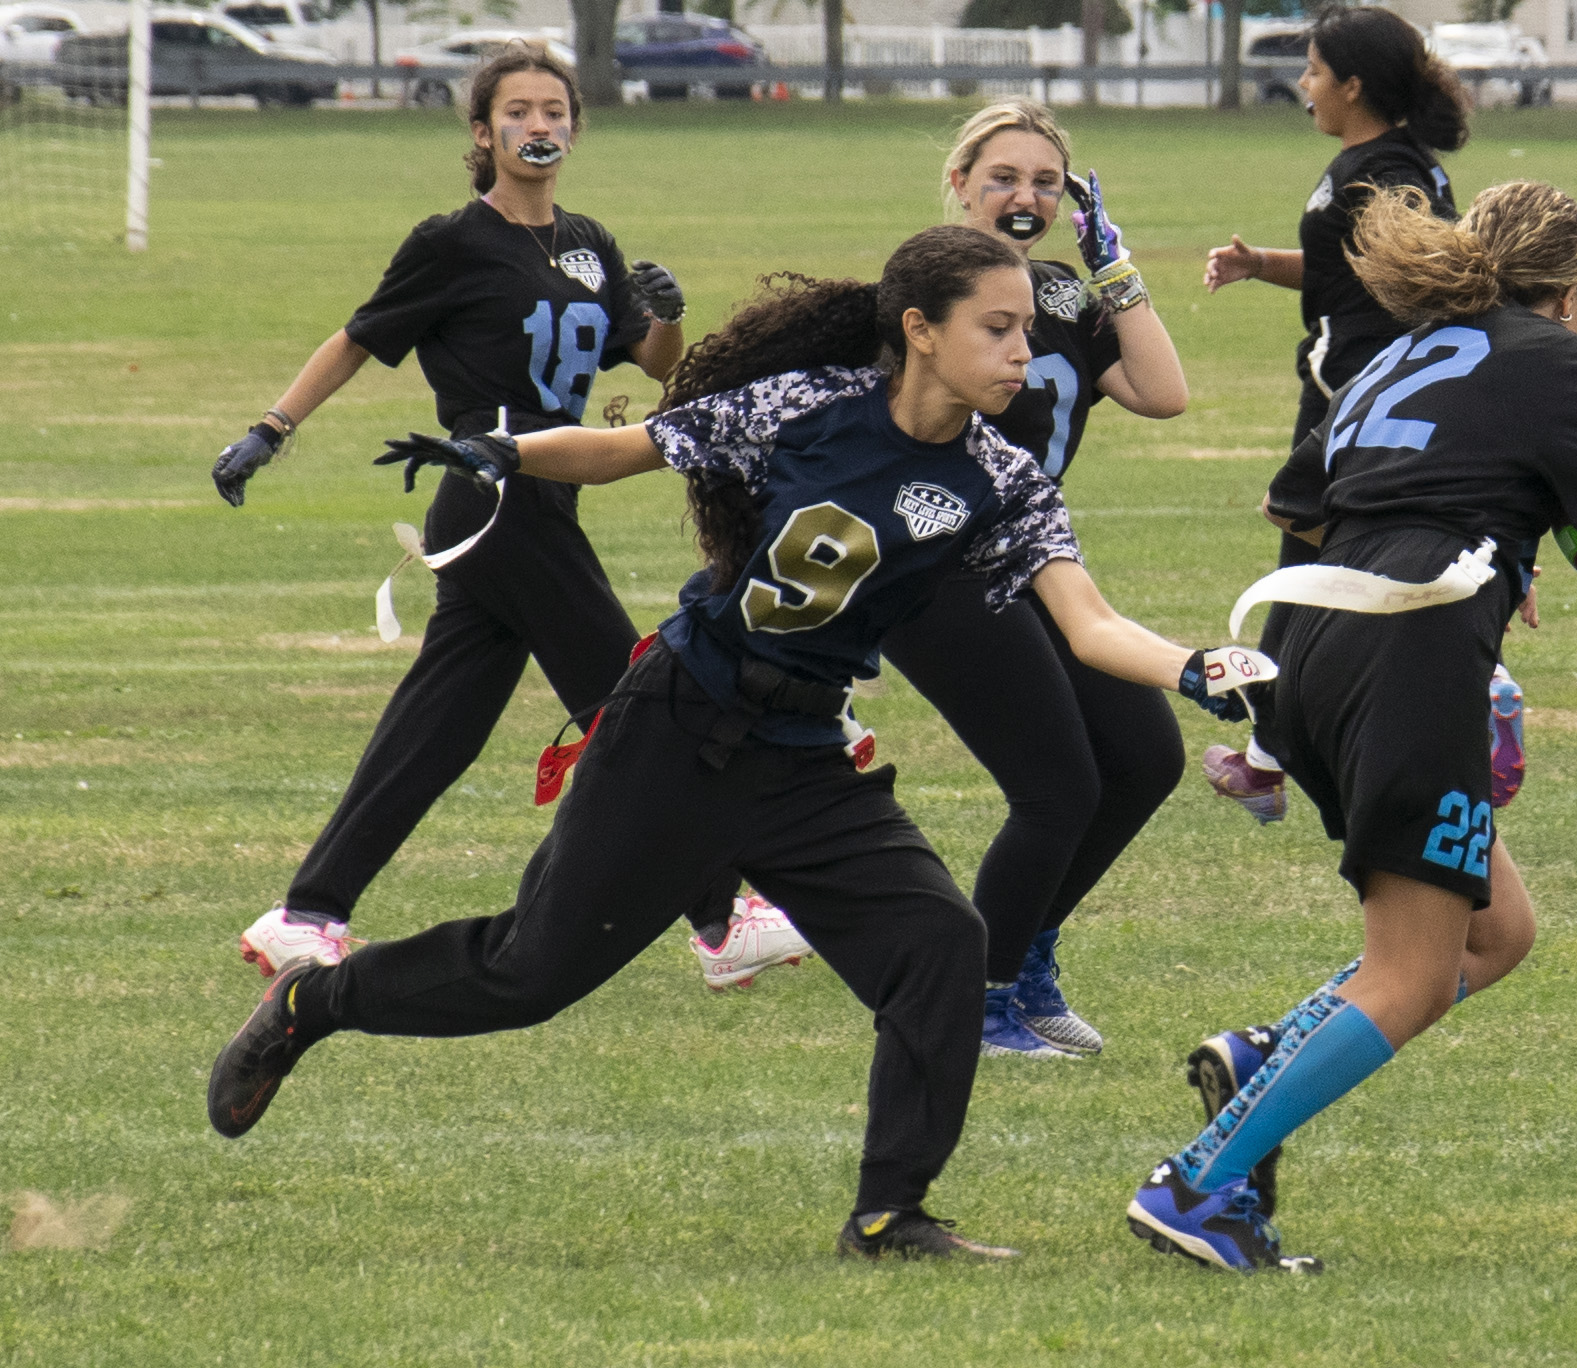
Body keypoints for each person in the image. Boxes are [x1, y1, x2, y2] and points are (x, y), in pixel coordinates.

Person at [206, 225, 1276, 1262]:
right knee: (527, 975)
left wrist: (1191, 665)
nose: (1024, 351)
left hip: (805, 756)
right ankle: (313, 1001)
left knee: (937, 943)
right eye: (995, 329)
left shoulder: (1002, 477)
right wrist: (500, 451)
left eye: (1023, 332)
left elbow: (1088, 624)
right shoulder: (805, 406)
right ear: (917, 330)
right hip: (674, 729)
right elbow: (625, 449)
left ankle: (887, 1215)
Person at [1127, 183, 1577, 1272]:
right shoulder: (1560, 359)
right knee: (1411, 973)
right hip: (1410, 651)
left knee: (1496, 932)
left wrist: (1495, 534)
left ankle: (1267, 1056)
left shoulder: (1400, 350)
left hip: (1308, 641)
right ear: (1571, 292)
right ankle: (1198, 1188)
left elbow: (1303, 504)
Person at [206, 47, 809, 992]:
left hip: (542, 490)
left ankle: (306, 914)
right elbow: (359, 339)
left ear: (574, 126)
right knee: (635, 705)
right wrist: (270, 429)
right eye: (518, 110)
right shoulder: (449, 241)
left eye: (555, 109)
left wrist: (665, 313)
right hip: (492, 496)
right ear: (483, 134)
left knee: (434, 733)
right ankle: (720, 917)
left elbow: (655, 365)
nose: (541, 124)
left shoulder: (587, 241)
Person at [886, 100, 1189, 1058]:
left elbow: (1163, 395)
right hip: (942, 572)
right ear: (960, 182)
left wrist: (1116, 270)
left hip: (1036, 562)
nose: (1026, 196)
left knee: (1144, 761)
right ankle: (974, 998)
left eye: (1046, 182)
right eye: (1005, 177)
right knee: (1057, 787)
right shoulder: (922, 293)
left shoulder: (1058, 297)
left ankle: (1025, 959)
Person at [1193, 5, 1515, 823]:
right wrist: (1259, 263)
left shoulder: (1380, 173)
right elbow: (1357, 266)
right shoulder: (1382, 164)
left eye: (1311, 70)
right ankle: (1269, 757)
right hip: (1365, 388)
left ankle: (1472, 692)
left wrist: (1379, 379)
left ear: (1352, 84)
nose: (1303, 85)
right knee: (1328, 564)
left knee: (1306, 560)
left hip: (1355, 394)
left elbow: (1417, 284)